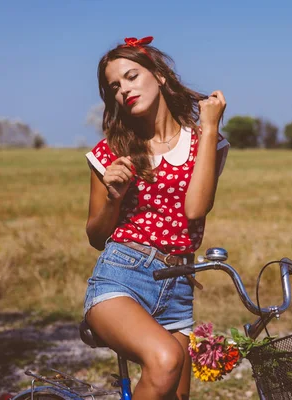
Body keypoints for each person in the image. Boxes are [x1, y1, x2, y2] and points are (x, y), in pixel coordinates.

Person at [83, 36, 229, 400]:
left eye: (132, 76)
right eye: (114, 86)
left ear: (160, 75)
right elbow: (96, 235)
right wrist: (114, 199)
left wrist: (209, 128)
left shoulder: (206, 142)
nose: (124, 90)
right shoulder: (111, 151)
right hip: (121, 278)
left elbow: (195, 209)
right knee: (164, 361)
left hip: (178, 286)